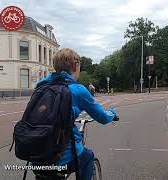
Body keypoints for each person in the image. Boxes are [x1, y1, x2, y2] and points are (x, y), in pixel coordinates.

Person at [37, 48, 117, 180]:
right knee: (88, 156)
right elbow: (102, 117)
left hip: (35, 154)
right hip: (60, 157)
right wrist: (112, 113)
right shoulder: (78, 89)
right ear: (76, 66)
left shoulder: (41, 85)